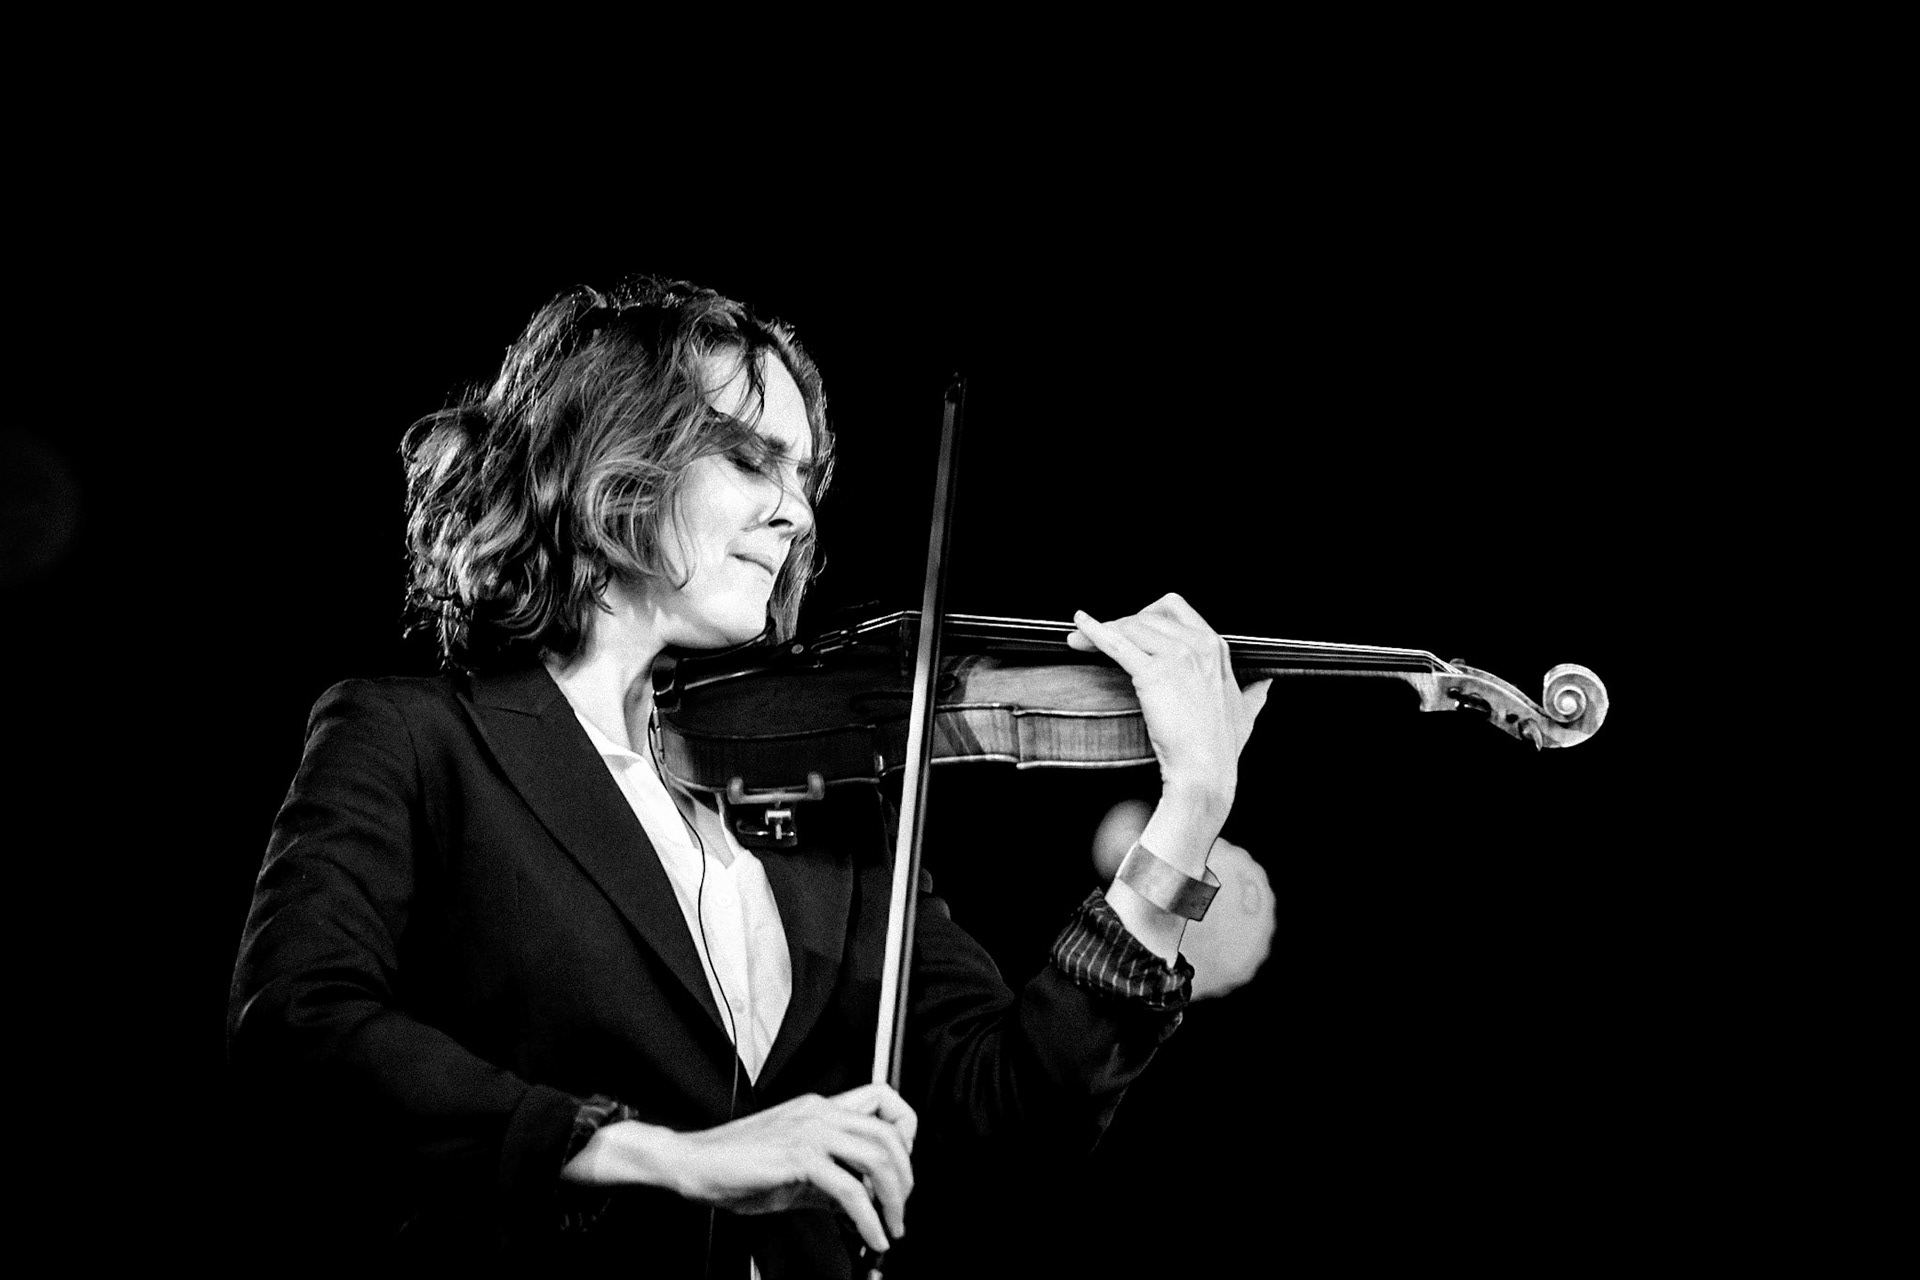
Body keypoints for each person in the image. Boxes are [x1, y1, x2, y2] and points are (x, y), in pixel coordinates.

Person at [226, 275, 1270, 1277]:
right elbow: (301, 1027)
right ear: (610, 461)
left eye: (805, 478)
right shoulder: (414, 739)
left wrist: (1189, 812)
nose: (799, 515)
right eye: (750, 461)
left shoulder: (819, 801)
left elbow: (1014, 1113)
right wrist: (662, 1154)